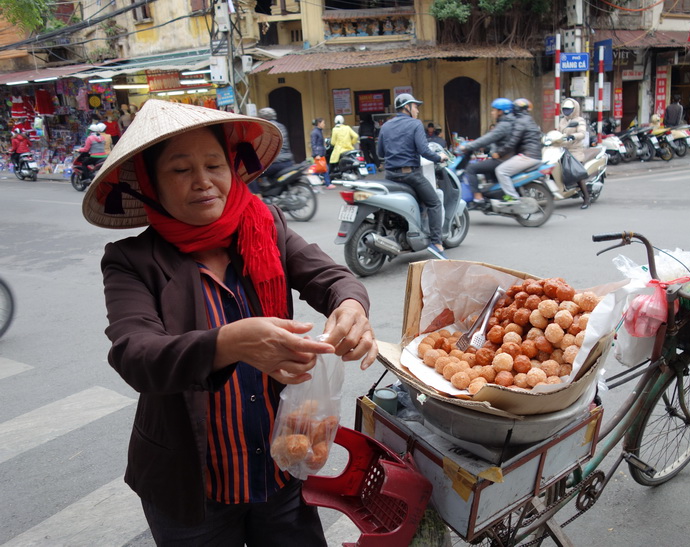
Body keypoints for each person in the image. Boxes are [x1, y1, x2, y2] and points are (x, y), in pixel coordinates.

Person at [80, 99, 378, 545]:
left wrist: (351, 308)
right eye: (181, 170)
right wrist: (227, 344)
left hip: (278, 470)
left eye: (214, 165)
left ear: (232, 169)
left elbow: (331, 277)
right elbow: (135, 354)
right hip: (192, 486)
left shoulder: (266, 226)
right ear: (151, 184)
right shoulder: (131, 260)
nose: (203, 182)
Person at [377, 93, 450, 259]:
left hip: (390, 175)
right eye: (415, 106)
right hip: (409, 175)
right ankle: (436, 243)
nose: (417, 110)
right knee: (434, 202)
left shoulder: (386, 126)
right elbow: (424, 150)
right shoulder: (415, 124)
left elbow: (380, 152)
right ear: (407, 107)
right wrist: (440, 157)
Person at [457, 98, 516, 207]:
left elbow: (488, 138)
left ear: (501, 111)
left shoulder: (504, 125)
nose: (492, 113)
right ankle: (492, 194)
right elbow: (494, 141)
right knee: (485, 167)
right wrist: (481, 146)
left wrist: (469, 146)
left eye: (494, 110)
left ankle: (478, 197)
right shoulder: (509, 123)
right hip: (505, 157)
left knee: (471, 168)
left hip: (502, 159)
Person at [494, 98, 542, 206]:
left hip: (528, 156)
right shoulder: (529, 120)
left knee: (501, 171)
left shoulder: (520, 122)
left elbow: (512, 142)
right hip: (534, 155)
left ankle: (513, 198)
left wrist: (499, 153)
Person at [558, 97, 590, 209]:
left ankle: (586, 198)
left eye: (569, 109)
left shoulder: (579, 120)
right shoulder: (562, 120)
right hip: (562, 149)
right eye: (565, 109)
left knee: (576, 173)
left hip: (574, 150)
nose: (567, 111)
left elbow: (582, 133)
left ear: (574, 109)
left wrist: (573, 136)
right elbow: (557, 132)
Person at [254, 107, 294, 194]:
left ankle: (257, 196)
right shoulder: (281, 126)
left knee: (252, 172)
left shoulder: (265, 127)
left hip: (276, 162)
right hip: (288, 161)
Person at [310, 117, 334, 189]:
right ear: (319, 123)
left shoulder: (319, 131)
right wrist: (316, 154)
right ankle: (328, 184)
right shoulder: (315, 132)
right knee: (324, 168)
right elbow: (313, 144)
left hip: (321, 153)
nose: (324, 124)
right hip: (318, 154)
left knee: (320, 169)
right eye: (323, 123)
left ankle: (314, 183)